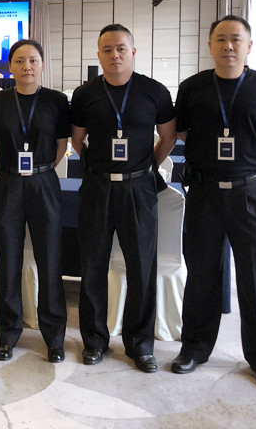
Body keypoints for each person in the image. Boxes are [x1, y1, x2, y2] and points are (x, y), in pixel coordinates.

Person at [172, 15, 256, 391]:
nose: (228, 46)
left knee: (255, 275)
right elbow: (181, 131)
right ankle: (194, 348)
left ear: (248, 46)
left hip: (250, 192)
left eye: (236, 39)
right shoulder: (193, 87)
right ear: (210, 46)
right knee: (202, 273)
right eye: (221, 39)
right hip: (205, 192)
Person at [70, 24, 176, 373]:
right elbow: (78, 141)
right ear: (98, 55)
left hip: (139, 189)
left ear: (132, 52)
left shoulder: (153, 91)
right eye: (107, 49)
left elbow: (168, 137)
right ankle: (94, 341)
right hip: (97, 188)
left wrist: (145, 167)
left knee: (142, 267)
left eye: (120, 48)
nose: (114, 55)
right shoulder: (85, 94)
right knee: (93, 266)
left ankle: (140, 344)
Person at [0, 39, 69, 363]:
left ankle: (54, 337)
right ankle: (8, 335)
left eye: (33, 60)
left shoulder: (56, 100)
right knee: (9, 260)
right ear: (10, 67)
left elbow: (62, 144)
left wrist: (41, 170)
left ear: (42, 64)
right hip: (8, 182)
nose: (26, 66)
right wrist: (4, 171)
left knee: (50, 260)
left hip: (43, 182)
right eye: (19, 61)